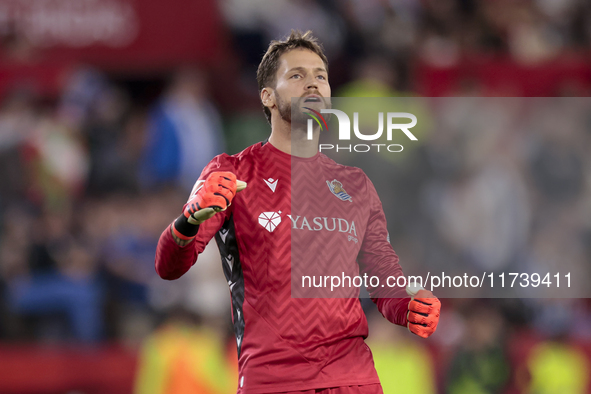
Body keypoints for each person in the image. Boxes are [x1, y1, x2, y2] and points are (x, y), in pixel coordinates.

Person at [155, 30, 441, 393]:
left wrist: (411, 307)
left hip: (355, 380)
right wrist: (190, 219)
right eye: (297, 75)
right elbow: (168, 267)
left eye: (320, 76)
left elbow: (385, 280)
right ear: (268, 97)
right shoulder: (232, 172)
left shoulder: (355, 185)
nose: (313, 85)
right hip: (275, 381)